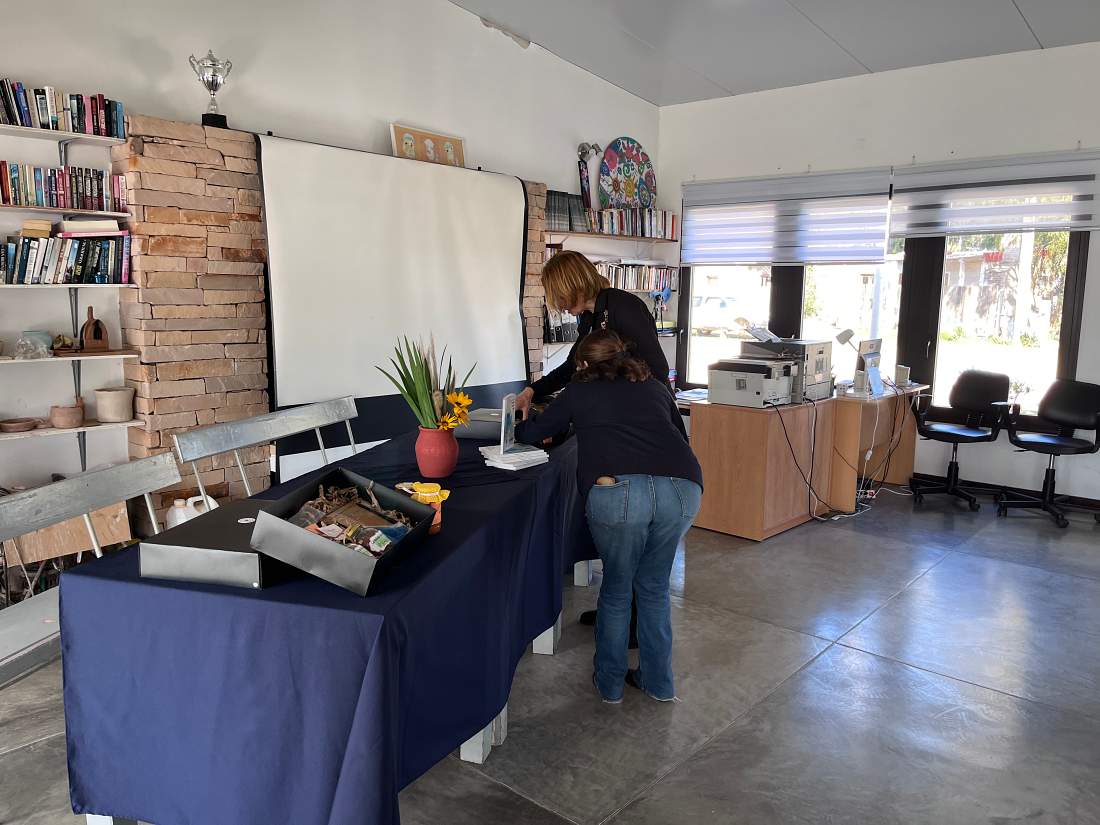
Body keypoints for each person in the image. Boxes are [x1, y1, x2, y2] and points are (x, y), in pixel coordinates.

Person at [516, 330, 702, 703]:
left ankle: (610, 684)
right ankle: (658, 683)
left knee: (617, 589)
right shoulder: (653, 386)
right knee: (653, 588)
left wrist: (519, 421)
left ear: (583, 364)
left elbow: (534, 432)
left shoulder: (579, 390)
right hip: (682, 489)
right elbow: (679, 436)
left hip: (619, 492)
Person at [516, 251, 670, 419]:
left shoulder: (624, 307)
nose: (560, 306)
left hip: (647, 411)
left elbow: (658, 370)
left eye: (559, 296)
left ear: (574, 285)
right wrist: (531, 391)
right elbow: (571, 367)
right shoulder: (590, 317)